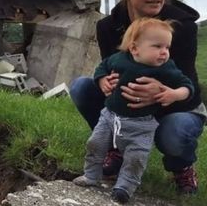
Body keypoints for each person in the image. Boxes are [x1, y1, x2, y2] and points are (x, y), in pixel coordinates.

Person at [70, 0, 206, 194]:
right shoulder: (108, 27)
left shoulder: (183, 27)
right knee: (81, 87)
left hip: (177, 105)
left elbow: (188, 86)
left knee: (174, 133)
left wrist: (161, 93)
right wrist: (104, 81)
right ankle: (116, 148)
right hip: (128, 103)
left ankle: (181, 167)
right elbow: (109, 67)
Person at [73, 18, 194, 203]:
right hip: (110, 117)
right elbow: (101, 68)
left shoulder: (166, 68)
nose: (164, 52)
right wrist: (102, 80)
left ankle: (124, 187)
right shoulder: (119, 59)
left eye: (167, 47)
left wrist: (173, 94)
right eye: (157, 46)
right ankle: (91, 175)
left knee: (136, 157)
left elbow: (187, 86)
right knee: (95, 144)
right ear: (134, 48)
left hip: (142, 125)